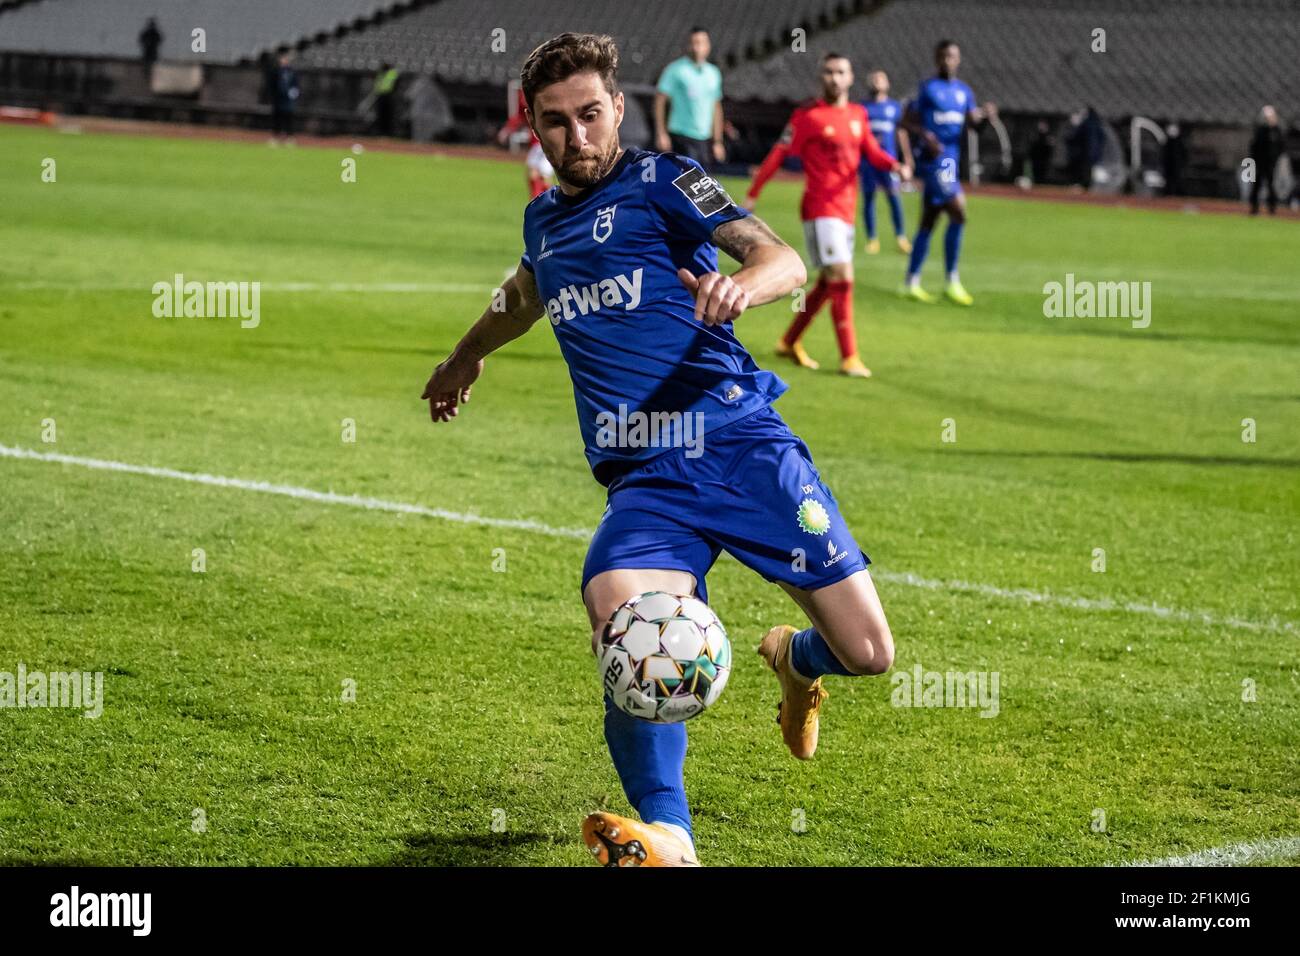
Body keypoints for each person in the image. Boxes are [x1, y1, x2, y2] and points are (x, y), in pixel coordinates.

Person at [420, 33, 896, 868]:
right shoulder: (543, 221)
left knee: (870, 652)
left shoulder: (664, 180)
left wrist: (742, 285)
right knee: (620, 621)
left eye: (591, 115)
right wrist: (466, 355)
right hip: (645, 479)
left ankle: (794, 657)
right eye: (556, 122)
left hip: (741, 442)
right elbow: (524, 293)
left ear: (619, 109)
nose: (577, 137)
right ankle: (669, 835)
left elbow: (776, 255)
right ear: (533, 128)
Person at [744, 53, 910, 378]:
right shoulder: (808, 116)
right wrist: (753, 193)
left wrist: (895, 166)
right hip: (820, 209)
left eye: (841, 72)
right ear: (821, 78)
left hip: (847, 209)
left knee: (827, 283)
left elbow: (871, 152)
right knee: (843, 278)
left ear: (850, 78)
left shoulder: (858, 115)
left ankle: (789, 341)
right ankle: (850, 358)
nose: (835, 78)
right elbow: (778, 153)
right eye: (829, 72)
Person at [899, 39, 995, 307]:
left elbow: (974, 126)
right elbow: (907, 120)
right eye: (942, 56)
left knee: (929, 221)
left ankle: (911, 281)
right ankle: (952, 280)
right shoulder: (928, 88)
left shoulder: (964, 92)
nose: (947, 61)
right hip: (934, 161)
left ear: (958, 59)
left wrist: (985, 116)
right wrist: (925, 135)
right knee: (959, 212)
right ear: (936, 58)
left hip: (951, 161)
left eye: (951, 56)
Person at [653, 27, 725, 169]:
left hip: (704, 138)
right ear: (688, 45)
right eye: (694, 42)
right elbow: (660, 101)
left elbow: (716, 107)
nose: (697, 47)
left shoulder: (713, 73)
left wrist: (718, 141)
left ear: (708, 45)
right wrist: (661, 133)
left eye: (701, 43)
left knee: (703, 183)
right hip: (681, 135)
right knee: (684, 181)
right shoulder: (675, 70)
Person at [859, 70, 912, 255]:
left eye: (880, 78)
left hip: (889, 161)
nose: (876, 81)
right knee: (869, 199)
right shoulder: (862, 108)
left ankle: (901, 238)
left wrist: (906, 157)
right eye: (873, 78)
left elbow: (901, 132)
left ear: (887, 83)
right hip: (867, 161)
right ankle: (872, 239)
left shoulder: (894, 107)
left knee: (894, 198)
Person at [497, 87, 555, 199]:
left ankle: (545, 203)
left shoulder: (542, 96)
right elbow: (519, 118)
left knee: (539, 174)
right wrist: (507, 130)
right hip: (539, 141)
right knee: (539, 174)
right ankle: (541, 201)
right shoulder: (531, 99)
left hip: (544, 141)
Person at [1248, 106, 1283, 215]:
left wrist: (1275, 159)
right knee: (1256, 185)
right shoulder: (1260, 131)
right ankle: (1254, 208)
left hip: (1271, 164)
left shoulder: (1277, 131)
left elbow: (1280, 146)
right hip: (1259, 163)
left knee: (1271, 185)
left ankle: (1272, 208)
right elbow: (1254, 147)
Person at [267, 49, 301, 144]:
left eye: (286, 59)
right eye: (283, 59)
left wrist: (294, 92)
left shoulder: (292, 72)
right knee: (277, 118)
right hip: (278, 99)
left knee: (288, 118)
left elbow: (296, 85)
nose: (284, 61)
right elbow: (272, 85)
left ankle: (289, 138)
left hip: (288, 100)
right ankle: (275, 137)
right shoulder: (276, 71)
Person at [373, 62, 400, 137]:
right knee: (380, 116)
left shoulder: (392, 73)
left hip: (389, 96)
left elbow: (396, 84)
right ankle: (380, 133)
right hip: (380, 96)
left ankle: (389, 133)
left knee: (389, 116)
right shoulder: (380, 73)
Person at [1162, 122, 1187, 197]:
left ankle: (1178, 195)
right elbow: (1164, 155)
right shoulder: (1167, 143)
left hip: (1177, 166)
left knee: (1177, 181)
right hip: (1169, 166)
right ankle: (1169, 194)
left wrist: (1183, 164)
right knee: (1169, 182)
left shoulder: (1179, 143)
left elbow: (1183, 155)